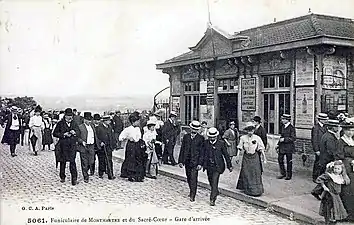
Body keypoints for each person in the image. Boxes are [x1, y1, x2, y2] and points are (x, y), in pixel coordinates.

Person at [312, 119, 341, 200]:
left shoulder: (327, 135)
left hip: (324, 160)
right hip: (327, 161)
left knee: (327, 178)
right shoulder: (330, 137)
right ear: (332, 127)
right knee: (328, 178)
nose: (338, 128)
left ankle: (316, 191)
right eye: (336, 126)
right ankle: (316, 191)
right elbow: (331, 151)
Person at [236, 122, 267, 197]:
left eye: (252, 130)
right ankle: (248, 189)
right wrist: (237, 157)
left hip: (254, 157)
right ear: (246, 130)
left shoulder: (257, 138)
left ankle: (257, 190)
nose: (250, 132)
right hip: (246, 157)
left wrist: (264, 157)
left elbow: (261, 148)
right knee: (246, 172)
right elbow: (240, 148)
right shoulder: (243, 138)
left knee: (255, 172)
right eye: (249, 130)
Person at [203, 127, 232, 206]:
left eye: (213, 137)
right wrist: (201, 164)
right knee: (210, 180)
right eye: (210, 137)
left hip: (218, 166)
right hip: (209, 166)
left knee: (215, 181)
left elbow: (226, 155)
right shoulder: (206, 143)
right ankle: (215, 191)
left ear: (216, 136)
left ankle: (212, 199)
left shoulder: (221, 143)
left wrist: (229, 166)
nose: (212, 138)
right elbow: (203, 154)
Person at [316, 160, 350, 225]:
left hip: (336, 196)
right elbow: (319, 179)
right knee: (328, 210)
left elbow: (347, 181)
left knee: (335, 210)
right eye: (335, 168)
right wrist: (324, 187)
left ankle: (333, 222)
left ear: (342, 170)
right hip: (329, 195)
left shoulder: (340, 177)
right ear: (332, 168)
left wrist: (344, 177)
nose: (336, 170)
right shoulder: (330, 176)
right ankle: (327, 222)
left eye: (338, 169)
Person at [178, 121, 205, 202]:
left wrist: (200, 163)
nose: (194, 130)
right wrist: (181, 161)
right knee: (189, 177)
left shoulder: (201, 138)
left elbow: (202, 152)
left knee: (193, 178)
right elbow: (182, 149)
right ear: (191, 128)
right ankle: (191, 190)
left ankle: (193, 195)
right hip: (187, 161)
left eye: (196, 129)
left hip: (195, 162)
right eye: (193, 129)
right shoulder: (186, 137)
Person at [53, 108, 80, 185]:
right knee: (63, 162)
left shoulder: (74, 123)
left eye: (71, 115)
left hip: (72, 145)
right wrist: (63, 135)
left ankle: (74, 179)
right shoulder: (60, 123)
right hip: (63, 145)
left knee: (72, 162)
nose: (70, 117)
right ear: (65, 115)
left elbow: (79, 132)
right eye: (68, 115)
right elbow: (55, 133)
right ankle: (62, 176)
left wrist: (74, 132)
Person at [119, 112, 147, 182]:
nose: (138, 122)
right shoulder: (128, 129)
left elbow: (139, 137)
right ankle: (130, 175)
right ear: (133, 122)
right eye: (137, 121)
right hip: (131, 145)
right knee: (131, 160)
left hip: (137, 145)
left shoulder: (138, 129)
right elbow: (120, 137)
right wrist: (127, 138)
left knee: (138, 159)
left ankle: (138, 175)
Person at [337, 118, 354, 221]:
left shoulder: (353, 140)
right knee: (347, 191)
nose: (350, 132)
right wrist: (344, 174)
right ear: (344, 130)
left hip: (353, 168)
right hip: (346, 168)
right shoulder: (341, 141)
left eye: (352, 130)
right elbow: (338, 158)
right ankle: (346, 214)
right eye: (348, 130)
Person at [77, 112, 98, 183]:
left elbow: (95, 136)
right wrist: (81, 141)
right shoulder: (80, 127)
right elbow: (77, 137)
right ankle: (85, 176)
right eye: (88, 120)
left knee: (91, 161)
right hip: (84, 146)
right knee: (84, 162)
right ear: (84, 120)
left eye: (90, 120)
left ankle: (87, 170)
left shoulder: (92, 126)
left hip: (91, 146)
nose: (89, 121)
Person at [276, 114, 296, 180]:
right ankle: (283, 173)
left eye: (283, 119)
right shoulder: (283, 126)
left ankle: (289, 175)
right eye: (282, 119)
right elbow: (281, 136)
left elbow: (293, 138)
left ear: (287, 120)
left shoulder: (292, 128)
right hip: (282, 147)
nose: (282, 120)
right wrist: (278, 144)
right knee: (280, 159)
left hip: (289, 147)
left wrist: (285, 139)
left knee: (289, 161)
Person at [96, 115, 116, 180]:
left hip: (108, 146)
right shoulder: (99, 128)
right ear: (104, 121)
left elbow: (112, 136)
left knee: (109, 160)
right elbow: (96, 137)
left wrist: (113, 145)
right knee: (101, 160)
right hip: (102, 147)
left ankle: (110, 174)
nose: (109, 121)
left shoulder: (110, 127)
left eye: (109, 120)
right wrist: (100, 142)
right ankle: (101, 173)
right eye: (108, 120)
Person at [311, 113, 329, 182]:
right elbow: (314, 140)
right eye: (323, 120)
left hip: (324, 148)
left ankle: (321, 176)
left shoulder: (325, 127)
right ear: (320, 120)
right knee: (317, 163)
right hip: (319, 149)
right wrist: (316, 150)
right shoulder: (316, 128)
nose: (325, 121)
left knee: (323, 163)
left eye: (325, 120)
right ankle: (315, 177)